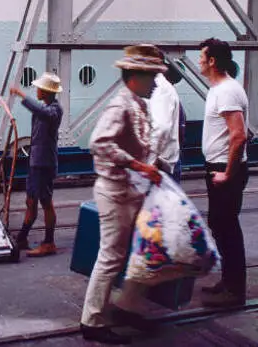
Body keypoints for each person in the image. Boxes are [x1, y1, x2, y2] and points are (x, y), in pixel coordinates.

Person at [80, 44, 166, 345]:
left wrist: (153, 165)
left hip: (132, 190)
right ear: (135, 77)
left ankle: (126, 306)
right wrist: (139, 165)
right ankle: (92, 320)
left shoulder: (138, 104)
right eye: (152, 76)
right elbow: (99, 143)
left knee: (144, 250)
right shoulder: (120, 106)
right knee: (111, 256)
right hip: (116, 192)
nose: (156, 82)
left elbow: (136, 144)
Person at [198, 38, 249, 308]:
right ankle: (228, 282)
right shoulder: (218, 90)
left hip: (224, 170)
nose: (199, 61)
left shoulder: (227, 91)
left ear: (213, 61)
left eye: (202, 57)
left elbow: (239, 136)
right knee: (219, 225)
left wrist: (228, 174)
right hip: (217, 168)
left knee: (227, 228)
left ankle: (235, 291)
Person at [9, 72, 63, 257]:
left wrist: (21, 95)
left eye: (39, 88)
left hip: (44, 163)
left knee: (46, 202)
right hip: (36, 162)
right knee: (30, 200)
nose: (36, 90)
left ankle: (49, 243)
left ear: (46, 91)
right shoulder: (46, 107)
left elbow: (42, 113)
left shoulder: (54, 110)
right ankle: (22, 237)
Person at [148, 69, 182, 183]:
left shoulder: (160, 88)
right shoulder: (156, 86)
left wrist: (150, 162)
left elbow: (161, 127)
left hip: (159, 166)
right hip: (159, 163)